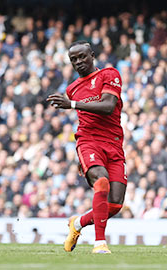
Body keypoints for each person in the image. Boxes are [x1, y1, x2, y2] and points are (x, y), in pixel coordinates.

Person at [47, 40, 127, 254]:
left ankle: (78, 224)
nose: (78, 62)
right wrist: (84, 159)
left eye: (82, 56)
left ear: (92, 55)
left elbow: (108, 107)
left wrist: (71, 104)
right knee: (101, 181)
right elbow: (84, 118)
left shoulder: (110, 74)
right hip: (89, 141)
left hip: (114, 144)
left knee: (116, 204)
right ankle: (99, 243)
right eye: (73, 59)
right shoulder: (72, 88)